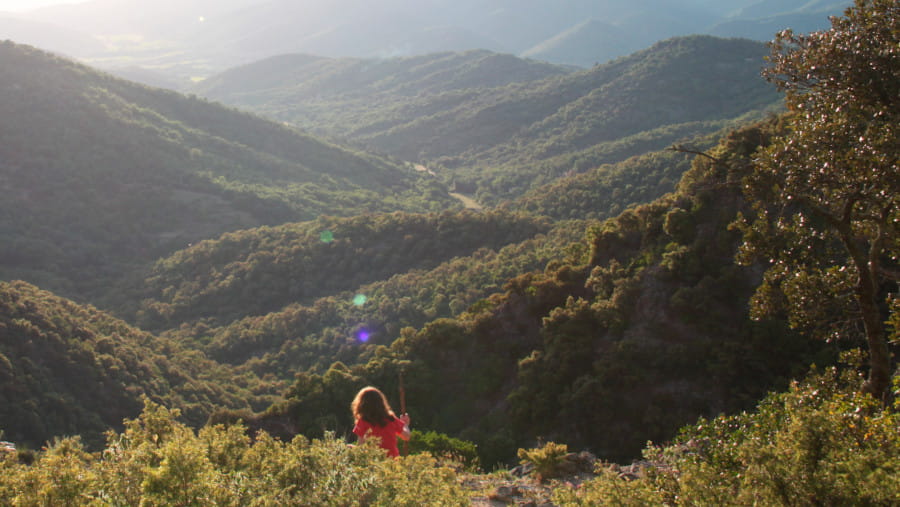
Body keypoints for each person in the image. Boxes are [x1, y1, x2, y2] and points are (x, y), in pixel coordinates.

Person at [351, 386, 410, 457]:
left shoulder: (363, 422)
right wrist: (405, 424)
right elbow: (406, 436)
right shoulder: (391, 419)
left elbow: (361, 448)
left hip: (375, 462)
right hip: (393, 462)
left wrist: (352, 448)